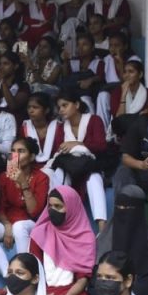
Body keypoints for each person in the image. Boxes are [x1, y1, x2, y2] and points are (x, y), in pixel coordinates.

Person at [0, 137, 49, 277]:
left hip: (30, 224)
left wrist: (23, 183)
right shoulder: (4, 177)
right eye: (12, 151)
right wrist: (7, 225)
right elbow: (1, 207)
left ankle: (23, 272)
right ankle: (8, 275)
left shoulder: (41, 177)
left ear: (32, 157)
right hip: (9, 221)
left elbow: (34, 212)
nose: (15, 155)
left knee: (19, 227)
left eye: (21, 151)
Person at [28, 186, 96, 295]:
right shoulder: (40, 233)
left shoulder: (85, 238)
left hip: (72, 293)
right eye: (50, 206)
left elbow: (83, 279)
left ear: (71, 208)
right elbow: (33, 270)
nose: (52, 210)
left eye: (58, 207)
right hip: (43, 291)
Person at [95, 186, 148, 295]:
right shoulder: (104, 238)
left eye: (128, 208)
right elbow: (95, 278)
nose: (123, 211)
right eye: (119, 207)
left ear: (139, 209)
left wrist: (121, 293)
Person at [51, 89, 108, 229]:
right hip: (70, 169)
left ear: (76, 104)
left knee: (94, 178)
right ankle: (57, 222)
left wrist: (78, 144)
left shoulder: (94, 120)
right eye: (59, 107)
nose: (61, 110)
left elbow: (101, 146)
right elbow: (58, 151)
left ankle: (102, 226)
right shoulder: (61, 127)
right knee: (58, 174)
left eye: (65, 105)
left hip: (90, 166)